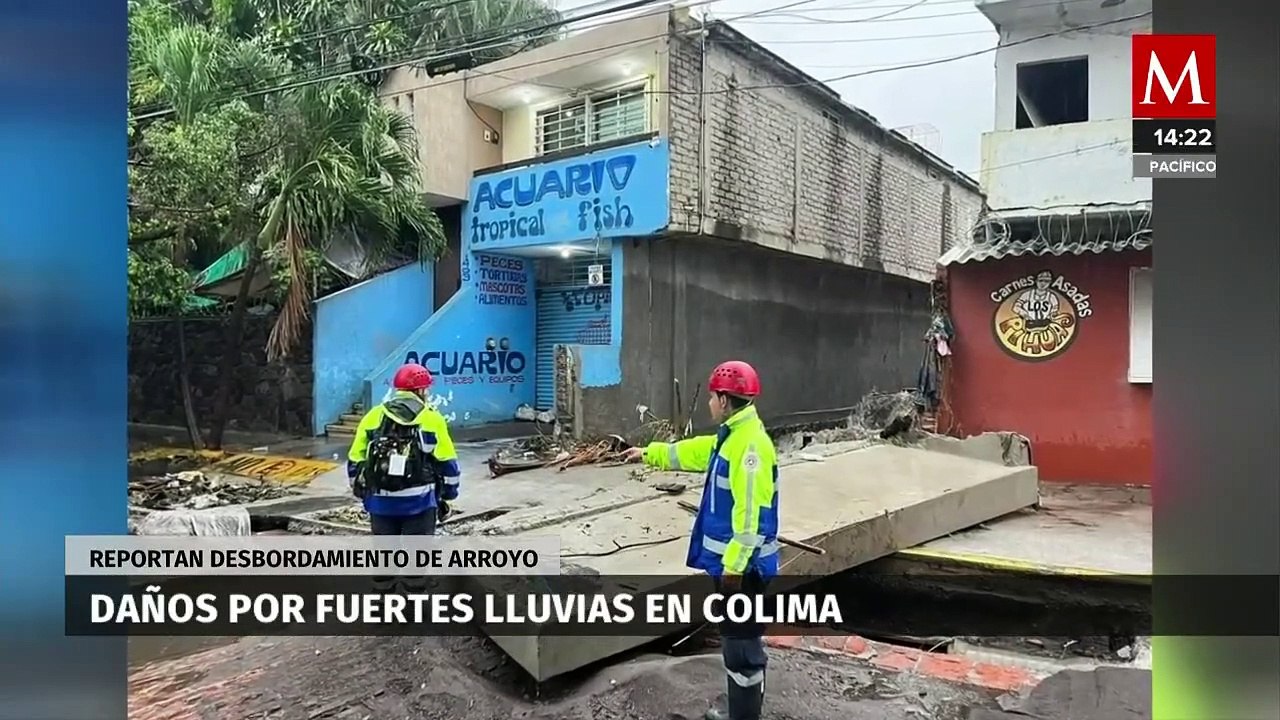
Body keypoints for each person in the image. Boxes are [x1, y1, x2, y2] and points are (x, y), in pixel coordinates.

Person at [623, 360, 778, 720]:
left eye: (712, 396)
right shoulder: (733, 437)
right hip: (734, 567)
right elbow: (692, 452)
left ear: (724, 400)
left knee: (742, 647)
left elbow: (751, 517)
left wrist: (734, 567)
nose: (709, 402)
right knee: (737, 641)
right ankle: (743, 711)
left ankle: (743, 717)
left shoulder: (750, 447)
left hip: (744, 570)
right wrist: (649, 453)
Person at [346, 362, 461, 591]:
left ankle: (382, 600)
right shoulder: (431, 419)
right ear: (419, 390)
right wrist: (448, 495)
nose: (428, 393)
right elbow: (448, 464)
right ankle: (412, 601)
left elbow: (355, 459)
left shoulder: (374, 416)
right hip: (419, 503)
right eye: (426, 389)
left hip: (380, 503)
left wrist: (364, 493)